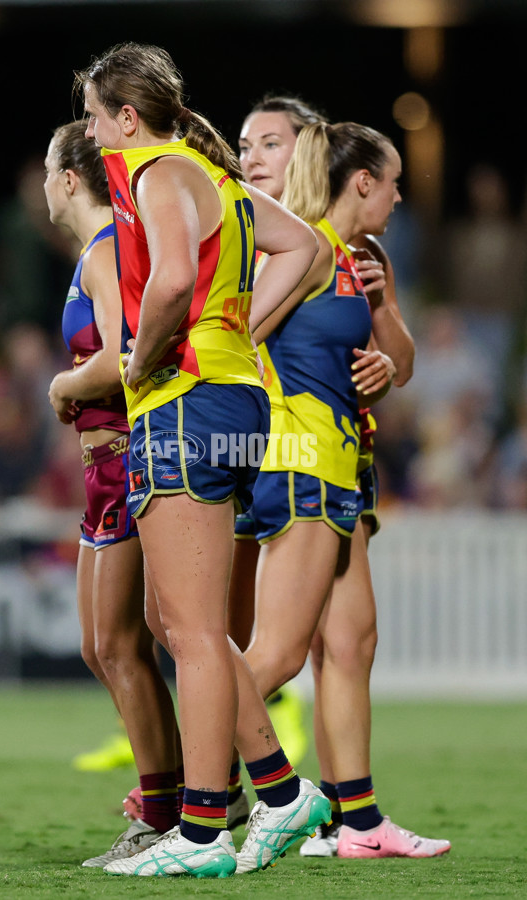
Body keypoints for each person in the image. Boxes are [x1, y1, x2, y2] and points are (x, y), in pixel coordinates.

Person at [73, 42, 331, 879]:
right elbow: (305, 251)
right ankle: (287, 797)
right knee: (181, 627)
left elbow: (175, 281)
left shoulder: (158, 173)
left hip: (185, 405)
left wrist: (146, 361)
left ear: (126, 115)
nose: (89, 129)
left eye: (93, 112)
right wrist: (235, 339)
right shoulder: (214, 176)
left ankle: (202, 834)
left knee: (188, 633)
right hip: (228, 402)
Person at [237, 98, 450, 859]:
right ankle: (185, 795)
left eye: (270, 143)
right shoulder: (295, 249)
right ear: (361, 180)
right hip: (298, 466)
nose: (401, 198)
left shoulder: (354, 257)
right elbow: (237, 338)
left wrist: (384, 349)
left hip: (341, 470)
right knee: (272, 656)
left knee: (353, 642)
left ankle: (356, 822)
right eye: (394, 184)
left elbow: (397, 363)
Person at [44, 120, 185, 866]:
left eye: (45, 172)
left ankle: (170, 810)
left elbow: (124, 351)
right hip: (107, 469)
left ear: (69, 180)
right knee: (107, 646)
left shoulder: (104, 252)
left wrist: (64, 384)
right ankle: (176, 798)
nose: (41, 187)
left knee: (123, 644)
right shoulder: (93, 255)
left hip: (129, 459)